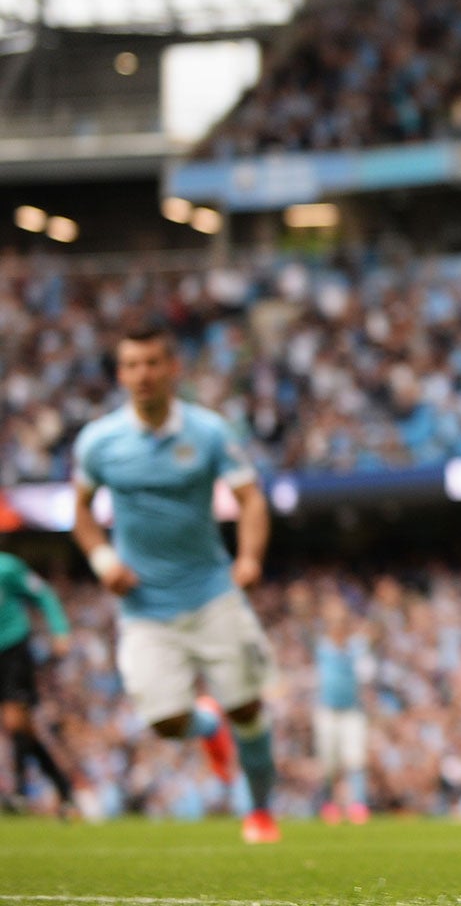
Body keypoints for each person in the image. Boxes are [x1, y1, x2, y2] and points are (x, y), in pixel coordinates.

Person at [70, 315, 282, 843]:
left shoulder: (209, 432)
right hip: (144, 605)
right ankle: (207, 727)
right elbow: (80, 510)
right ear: (120, 374)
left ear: (173, 368)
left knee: (250, 708)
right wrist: (102, 562)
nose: (141, 374)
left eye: (151, 363)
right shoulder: (100, 442)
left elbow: (251, 498)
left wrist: (250, 558)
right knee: (165, 722)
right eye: (130, 365)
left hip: (212, 592)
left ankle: (259, 813)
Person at [0, 544, 76, 815]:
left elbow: (43, 593)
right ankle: (64, 788)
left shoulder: (7, 567)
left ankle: (19, 791)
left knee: (14, 718)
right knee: (26, 730)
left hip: (12, 650)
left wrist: (60, 629)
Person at [312, 594, 372, 824]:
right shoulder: (322, 645)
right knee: (328, 763)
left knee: (355, 759)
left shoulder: (357, 645)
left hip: (351, 711)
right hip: (327, 711)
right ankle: (329, 804)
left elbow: (367, 668)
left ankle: (358, 805)